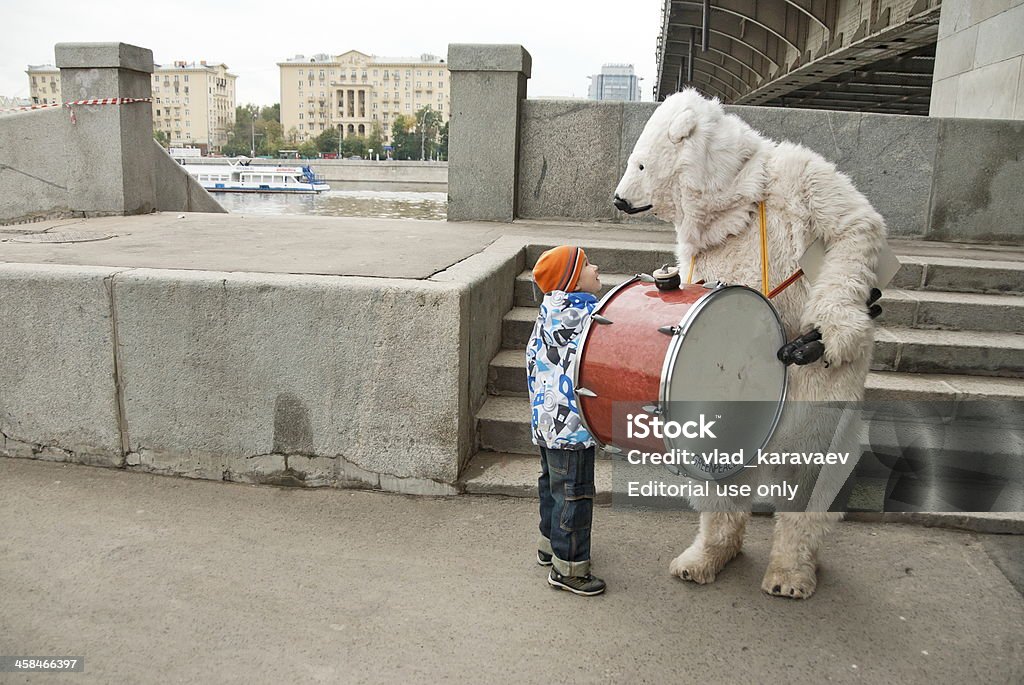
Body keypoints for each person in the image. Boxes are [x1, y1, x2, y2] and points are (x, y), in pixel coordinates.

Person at [526, 245, 605, 596]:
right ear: (572, 281)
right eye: (587, 265)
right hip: (572, 425)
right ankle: (569, 568)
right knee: (574, 494)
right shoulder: (583, 315)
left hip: (547, 421)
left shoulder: (552, 313)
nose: (596, 268)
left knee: (552, 487)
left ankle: (550, 545)